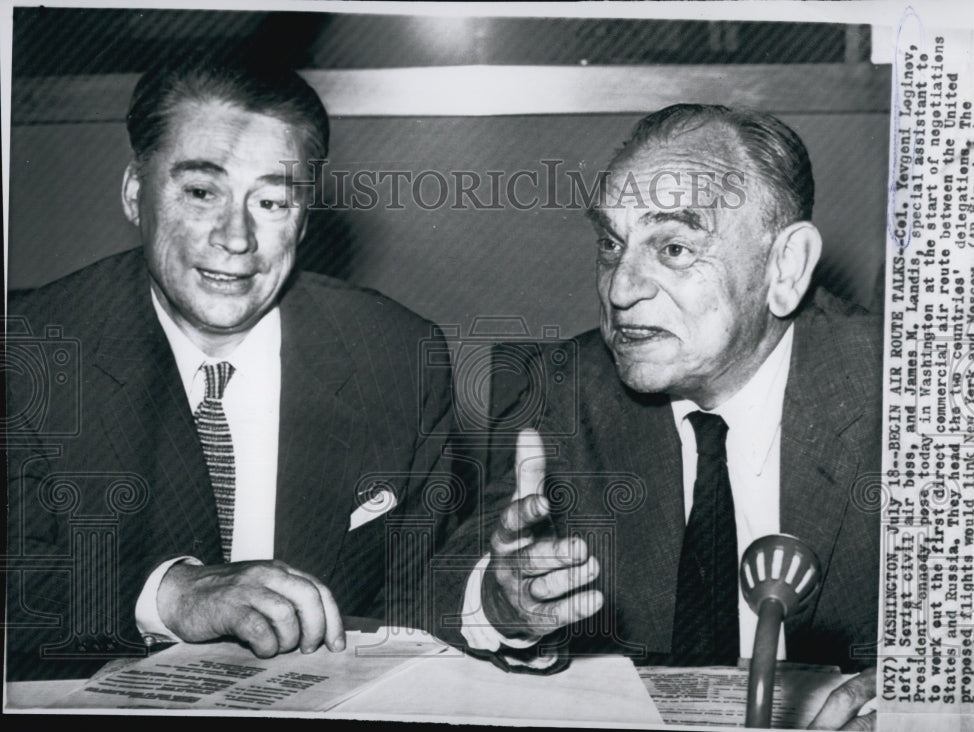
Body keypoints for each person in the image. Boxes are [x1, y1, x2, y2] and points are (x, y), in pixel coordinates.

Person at [430, 104, 881, 730]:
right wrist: (501, 601)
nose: (620, 290)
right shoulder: (560, 389)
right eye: (612, 244)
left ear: (787, 267)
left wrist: (938, 690)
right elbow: (435, 593)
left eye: (673, 247)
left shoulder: (909, 398)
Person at [5, 55, 455, 681]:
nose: (236, 237)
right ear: (136, 192)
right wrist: (172, 594)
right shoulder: (26, 351)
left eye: (271, 201)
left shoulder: (399, 357)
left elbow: (421, 596)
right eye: (200, 192)